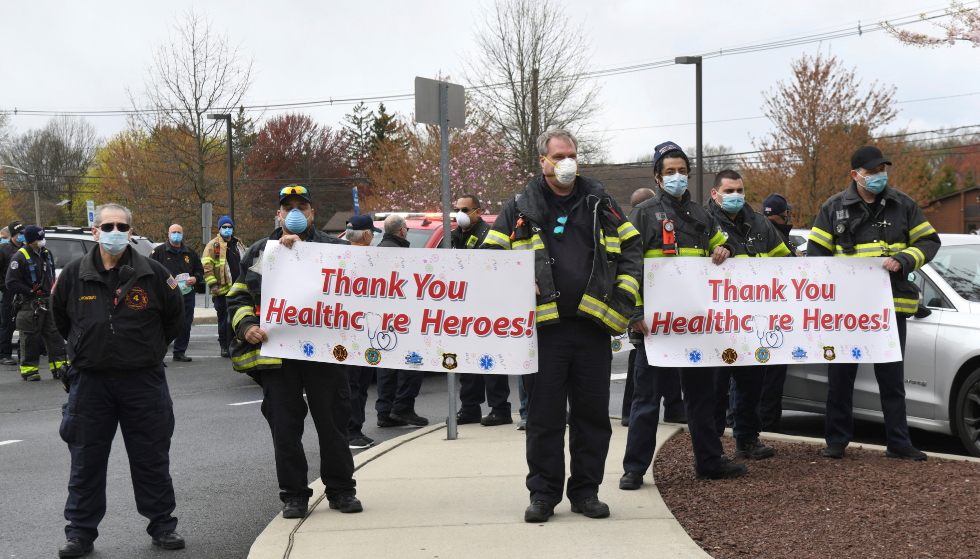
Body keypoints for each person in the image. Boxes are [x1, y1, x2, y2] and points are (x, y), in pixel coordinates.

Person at [483, 129, 642, 523]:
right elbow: (490, 256)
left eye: (572, 154)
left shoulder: (600, 201)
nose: (567, 162)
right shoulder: (520, 205)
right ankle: (543, 495)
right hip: (543, 332)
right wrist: (517, 283)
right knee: (543, 419)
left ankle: (586, 493)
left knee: (592, 418)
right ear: (543, 161)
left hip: (592, 329)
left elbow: (632, 249)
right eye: (559, 156)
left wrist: (620, 300)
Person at [51, 203, 186, 556]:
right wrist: (87, 348)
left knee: (152, 458)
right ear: (95, 231)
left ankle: (162, 526)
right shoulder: (73, 275)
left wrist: (147, 349)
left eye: (121, 226)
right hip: (90, 384)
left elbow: (174, 318)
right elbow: (61, 320)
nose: (114, 232)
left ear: (130, 230)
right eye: (107, 226)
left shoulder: (154, 274)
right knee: (85, 461)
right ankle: (80, 533)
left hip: (143, 382)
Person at [227, 184, 363, 519]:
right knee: (285, 430)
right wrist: (247, 327)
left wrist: (304, 253)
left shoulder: (335, 249)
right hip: (278, 357)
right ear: (278, 214)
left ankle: (342, 491)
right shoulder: (261, 251)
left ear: (313, 213)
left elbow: (359, 293)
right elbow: (238, 296)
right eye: (288, 208)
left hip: (324, 356)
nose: (295, 213)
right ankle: (294, 496)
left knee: (333, 426)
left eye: (302, 206)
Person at [620, 142, 748, 492]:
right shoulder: (643, 214)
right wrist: (634, 313)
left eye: (682, 170)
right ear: (658, 177)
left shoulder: (702, 215)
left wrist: (726, 249)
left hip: (695, 329)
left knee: (701, 399)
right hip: (655, 328)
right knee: (647, 401)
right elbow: (626, 265)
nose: (677, 176)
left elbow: (726, 244)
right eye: (670, 171)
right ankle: (634, 469)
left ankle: (708, 462)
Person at [808, 146, 940, 461]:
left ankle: (898, 443)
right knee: (840, 378)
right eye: (872, 171)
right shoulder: (833, 208)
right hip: (847, 313)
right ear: (855, 175)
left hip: (889, 309)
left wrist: (905, 258)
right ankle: (836, 441)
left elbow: (929, 241)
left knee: (892, 380)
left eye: (882, 170)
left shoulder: (903, 205)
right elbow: (816, 257)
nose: (880, 176)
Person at [705, 170, 789, 461]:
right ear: (715, 194)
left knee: (752, 383)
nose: (736, 196)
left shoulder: (760, 223)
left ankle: (748, 440)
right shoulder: (703, 222)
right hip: (719, 323)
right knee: (715, 387)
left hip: (755, 322)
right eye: (729, 191)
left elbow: (783, 260)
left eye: (739, 190)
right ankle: (712, 448)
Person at [621, 188, 685, 428]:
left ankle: (673, 408)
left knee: (668, 363)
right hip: (645, 313)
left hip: (667, 309)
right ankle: (631, 411)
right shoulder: (640, 224)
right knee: (641, 365)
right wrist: (636, 312)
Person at [453, 193, 513, 427]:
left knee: (491, 361)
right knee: (467, 361)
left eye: (465, 210)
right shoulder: (455, 235)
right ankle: (470, 408)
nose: (460, 214)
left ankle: (500, 409)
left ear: (478, 212)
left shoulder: (488, 235)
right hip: (465, 307)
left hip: (489, 307)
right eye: (457, 209)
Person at [374, 214, 429, 428]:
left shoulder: (375, 252)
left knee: (386, 364)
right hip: (404, 318)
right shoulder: (404, 255)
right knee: (412, 361)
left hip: (381, 319)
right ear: (403, 231)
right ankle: (403, 408)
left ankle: (384, 412)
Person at [5, 226, 69, 381]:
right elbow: (10, 282)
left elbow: (52, 276)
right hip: (30, 303)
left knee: (55, 335)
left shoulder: (46, 253)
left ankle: (59, 368)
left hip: (48, 301)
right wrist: (30, 291)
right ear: (31, 240)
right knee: (30, 338)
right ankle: (29, 370)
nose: (43, 240)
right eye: (40, 238)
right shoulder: (19, 257)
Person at [760, 193, 799, 432]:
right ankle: (766, 423)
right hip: (773, 319)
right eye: (787, 213)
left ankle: (767, 420)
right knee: (770, 376)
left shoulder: (763, 232)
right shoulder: (776, 237)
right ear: (781, 214)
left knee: (769, 375)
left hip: (773, 317)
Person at [344, 214, 383, 449]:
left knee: (360, 383)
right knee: (353, 384)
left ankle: (356, 428)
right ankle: (350, 432)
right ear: (367, 235)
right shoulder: (361, 259)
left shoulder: (340, 256)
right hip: (356, 331)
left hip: (365, 330)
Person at [150, 224, 204, 363]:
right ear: (168, 234)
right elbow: (150, 272)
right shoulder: (158, 252)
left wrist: (196, 278)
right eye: (173, 232)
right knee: (163, 324)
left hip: (187, 294)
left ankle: (179, 352)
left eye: (178, 232)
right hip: (166, 296)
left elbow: (200, 269)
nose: (176, 234)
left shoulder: (190, 253)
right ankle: (158, 354)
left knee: (185, 324)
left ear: (182, 234)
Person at [202, 216, 244, 358]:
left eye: (229, 226)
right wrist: (213, 285)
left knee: (238, 319)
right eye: (224, 227)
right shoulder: (213, 246)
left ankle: (236, 345)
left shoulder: (238, 244)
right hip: (222, 291)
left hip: (239, 290)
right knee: (224, 321)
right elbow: (207, 267)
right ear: (219, 229)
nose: (227, 229)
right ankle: (225, 347)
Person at [0, 222, 26, 366]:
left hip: (24, 291)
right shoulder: (3, 249)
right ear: (13, 234)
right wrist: (4, 287)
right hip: (9, 292)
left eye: (23, 232)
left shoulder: (25, 249)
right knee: (7, 324)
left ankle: (24, 354)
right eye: (20, 232)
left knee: (25, 323)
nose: (22, 235)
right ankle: (5, 354)